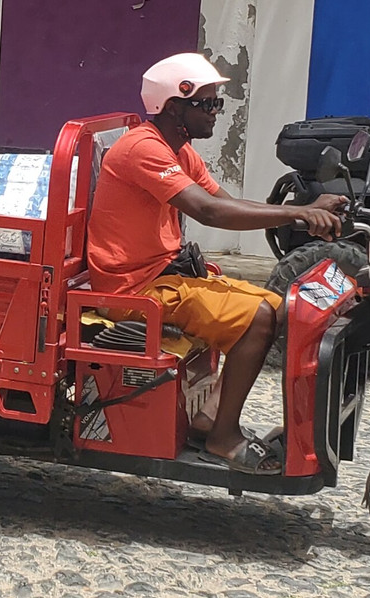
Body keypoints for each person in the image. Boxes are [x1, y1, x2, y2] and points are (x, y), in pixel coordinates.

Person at [86, 52, 347, 475]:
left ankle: (210, 416)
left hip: (163, 277)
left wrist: (305, 210)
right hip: (133, 289)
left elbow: (226, 202)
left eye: (217, 104)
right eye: (207, 104)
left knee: (277, 306)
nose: (215, 113)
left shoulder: (179, 151)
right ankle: (223, 437)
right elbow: (208, 212)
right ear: (174, 107)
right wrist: (298, 214)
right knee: (257, 318)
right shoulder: (143, 149)